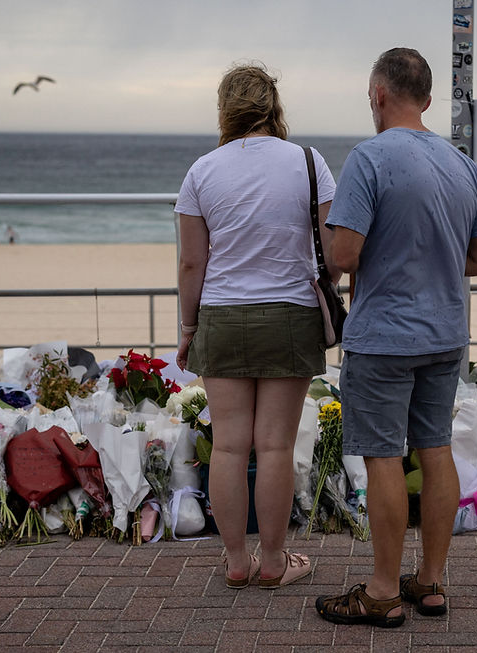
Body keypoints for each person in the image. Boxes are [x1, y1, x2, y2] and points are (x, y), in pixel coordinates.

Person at [315, 47, 477, 628]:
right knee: (436, 449)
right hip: (445, 332)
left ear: (379, 95)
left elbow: (344, 256)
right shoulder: (464, 167)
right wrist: (429, 255)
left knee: (383, 459)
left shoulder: (368, 158)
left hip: (384, 335)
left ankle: (382, 590)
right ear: (428, 99)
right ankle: (432, 581)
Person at [175, 63, 337, 590]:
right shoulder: (309, 163)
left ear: (225, 109)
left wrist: (188, 327)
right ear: (273, 106)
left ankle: (235, 561)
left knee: (227, 446)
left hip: (222, 316)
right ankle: (273, 561)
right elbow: (333, 253)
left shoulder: (202, 171)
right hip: (291, 315)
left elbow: (192, 264)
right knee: (274, 447)